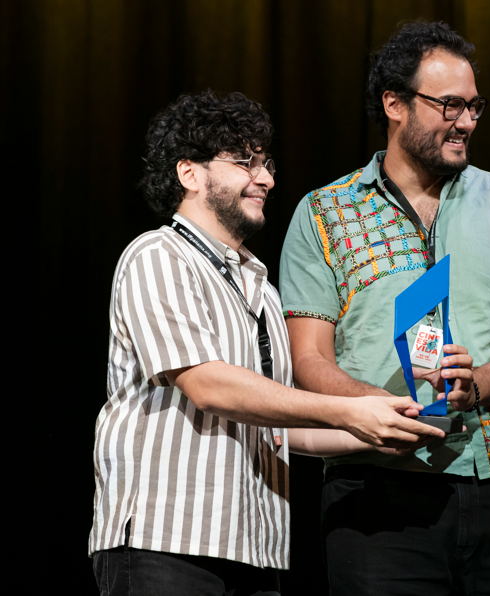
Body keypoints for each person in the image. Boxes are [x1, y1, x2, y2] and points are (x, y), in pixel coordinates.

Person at [89, 90, 444, 596]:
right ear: (189, 174)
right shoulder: (158, 254)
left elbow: (279, 426)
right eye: (244, 162)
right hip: (165, 544)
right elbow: (209, 386)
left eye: (266, 163)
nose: (266, 178)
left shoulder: (260, 285)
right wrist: (348, 410)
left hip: (255, 550)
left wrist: (385, 425)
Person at [280, 21, 490, 595]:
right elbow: (307, 359)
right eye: (450, 105)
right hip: (377, 494)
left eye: (474, 106)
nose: (468, 121)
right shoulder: (325, 212)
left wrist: (481, 384)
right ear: (395, 104)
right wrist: (382, 408)